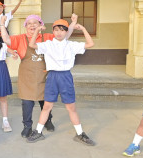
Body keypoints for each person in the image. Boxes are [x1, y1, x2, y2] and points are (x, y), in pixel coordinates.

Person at [26, 17, 96, 145]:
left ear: (66, 32)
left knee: (71, 107)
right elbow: (32, 45)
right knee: (47, 106)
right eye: (56, 30)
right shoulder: (48, 44)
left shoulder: (71, 45)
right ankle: (38, 131)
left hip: (65, 77)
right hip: (52, 76)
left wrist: (84, 29)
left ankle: (80, 134)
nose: (59, 32)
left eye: (63, 30)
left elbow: (90, 44)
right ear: (53, 31)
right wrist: (37, 30)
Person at [0, 14, 56, 137]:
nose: (32, 25)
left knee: (45, 102)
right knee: (27, 103)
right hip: (27, 77)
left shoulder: (47, 37)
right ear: (25, 26)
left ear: (41, 25)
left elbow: (62, 39)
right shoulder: (20, 39)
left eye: (35, 22)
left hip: (44, 76)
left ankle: (48, 121)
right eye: (29, 23)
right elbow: (6, 40)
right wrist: (2, 24)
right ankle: (27, 126)